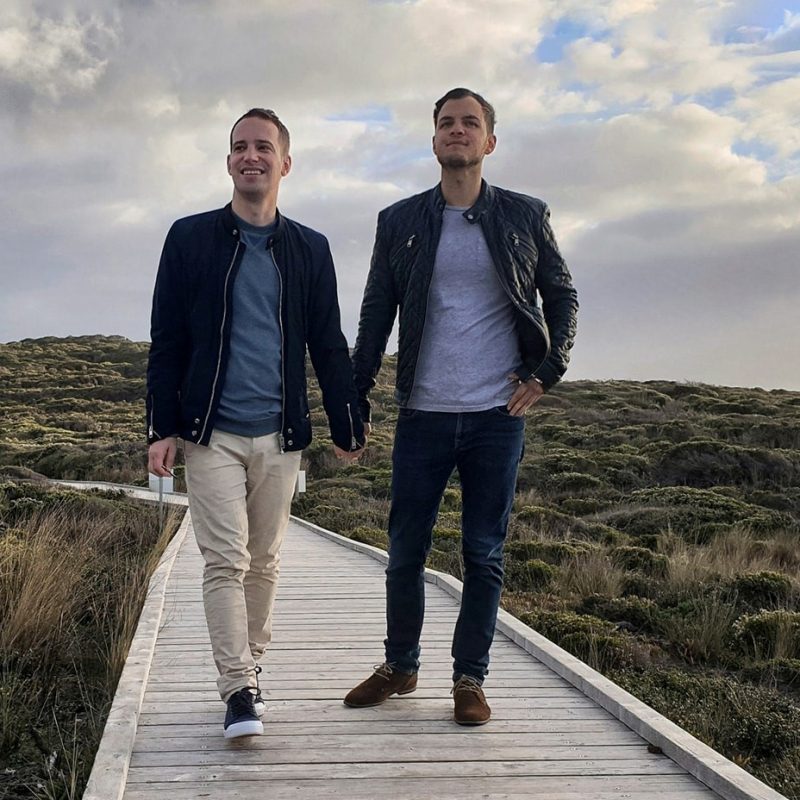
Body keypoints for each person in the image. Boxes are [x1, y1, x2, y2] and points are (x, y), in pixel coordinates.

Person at [345, 88, 578, 725]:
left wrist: (546, 371)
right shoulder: (400, 221)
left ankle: (470, 680)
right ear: (434, 140)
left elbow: (560, 296)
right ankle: (401, 664)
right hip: (422, 413)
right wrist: (354, 401)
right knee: (404, 551)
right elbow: (374, 316)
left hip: (494, 418)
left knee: (484, 553)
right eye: (447, 123)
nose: (457, 131)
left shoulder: (525, 215)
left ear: (489, 142)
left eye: (469, 123)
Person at [146, 108, 365, 739]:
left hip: (281, 433)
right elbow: (168, 337)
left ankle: (254, 667)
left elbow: (327, 342)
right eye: (240, 147)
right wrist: (161, 426)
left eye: (263, 147)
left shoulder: (309, 248)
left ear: (284, 162)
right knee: (225, 560)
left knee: (265, 561)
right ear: (228, 162)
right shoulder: (189, 238)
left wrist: (347, 417)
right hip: (207, 430)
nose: (251, 156)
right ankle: (237, 687)